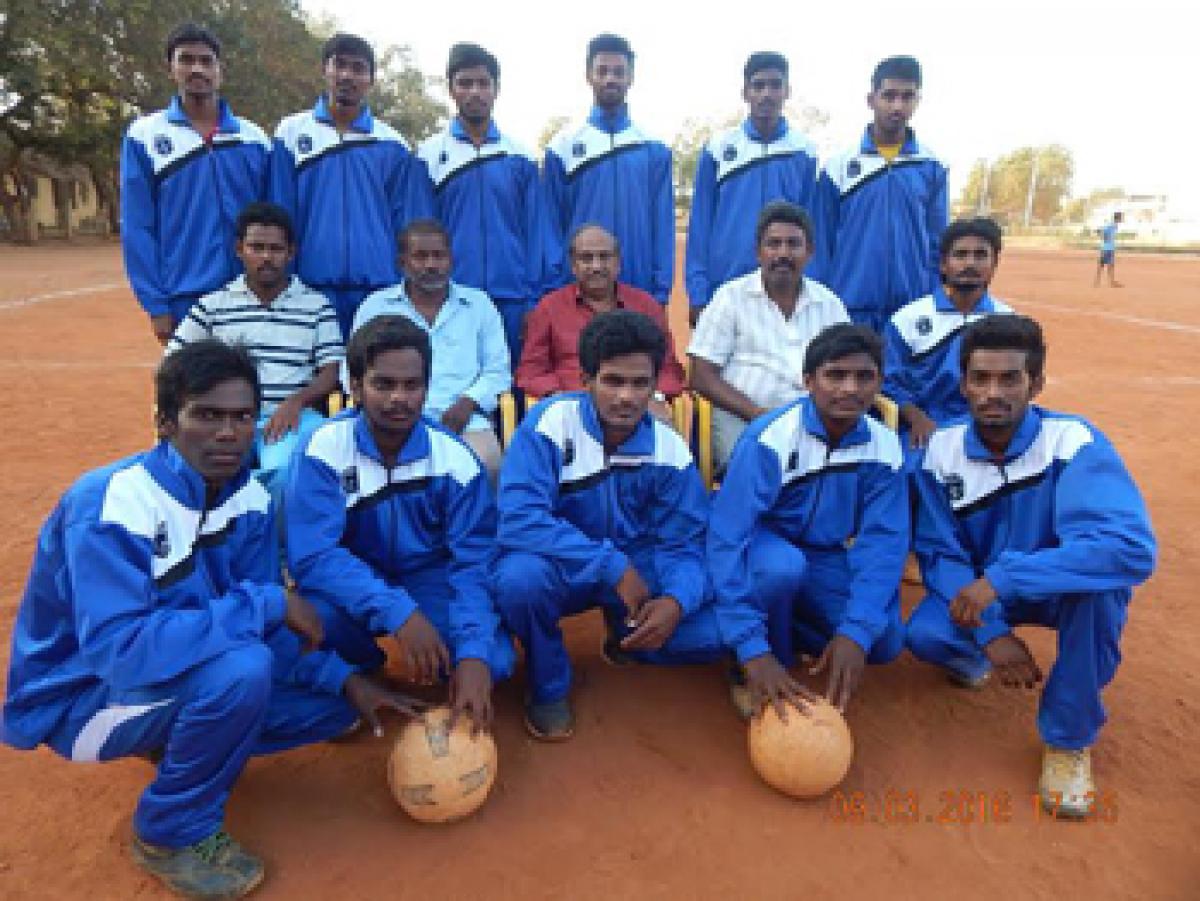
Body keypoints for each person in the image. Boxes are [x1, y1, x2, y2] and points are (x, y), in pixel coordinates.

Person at [1, 340, 426, 899]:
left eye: (242, 417)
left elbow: (267, 623)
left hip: (170, 670)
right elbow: (120, 652)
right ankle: (169, 832)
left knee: (332, 711)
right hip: (83, 698)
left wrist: (345, 680)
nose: (228, 432)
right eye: (207, 415)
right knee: (241, 670)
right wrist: (268, 603)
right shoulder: (112, 504)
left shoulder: (248, 499)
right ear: (164, 422)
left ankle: (178, 738)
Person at [905, 315, 1155, 817]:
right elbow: (940, 552)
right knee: (925, 635)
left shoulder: (1073, 443)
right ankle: (973, 658)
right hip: (981, 593)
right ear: (963, 384)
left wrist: (1004, 579)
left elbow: (1129, 548)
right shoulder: (940, 451)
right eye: (981, 379)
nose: (992, 393)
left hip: (1053, 585)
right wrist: (990, 632)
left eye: (1009, 379)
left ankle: (1068, 739)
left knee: (1101, 596)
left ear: (1035, 385)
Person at [495, 311, 725, 741]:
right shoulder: (549, 424)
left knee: (715, 631)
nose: (627, 397)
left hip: (639, 567)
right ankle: (548, 684)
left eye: (640, 384)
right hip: (565, 564)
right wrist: (609, 564)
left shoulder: (668, 450)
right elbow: (518, 519)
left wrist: (676, 600)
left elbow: (686, 545)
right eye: (613, 381)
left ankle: (627, 634)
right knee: (518, 582)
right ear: (586, 379)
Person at [285, 316, 515, 736]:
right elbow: (313, 557)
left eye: (412, 386)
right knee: (309, 622)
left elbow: (473, 563)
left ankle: (449, 659)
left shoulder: (456, 460)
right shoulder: (322, 450)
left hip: (429, 577)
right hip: (351, 580)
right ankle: (365, 668)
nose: (399, 399)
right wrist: (399, 613)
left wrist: (474, 654)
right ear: (355, 387)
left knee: (495, 661)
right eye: (383, 384)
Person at [708, 324, 908, 719]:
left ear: (880, 383)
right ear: (808, 381)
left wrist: (855, 631)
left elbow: (884, 544)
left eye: (864, 377)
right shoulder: (770, 437)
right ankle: (754, 657)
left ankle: (792, 623)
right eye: (835, 375)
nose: (850, 389)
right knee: (783, 569)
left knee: (883, 641)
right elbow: (727, 536)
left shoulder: (884, 447)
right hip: (762, 547)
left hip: (824, 554)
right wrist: (753, 648)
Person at [166, 202, 342, 506]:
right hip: (225, 416)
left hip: (291, 416)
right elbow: (173, 362)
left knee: (288, 472)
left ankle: (277, 549)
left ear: (291, 253)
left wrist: (296, 402)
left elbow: (331, 371)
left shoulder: (316, 306)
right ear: (239, 250)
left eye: (275, 249)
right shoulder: (214, 305)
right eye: (256, 247)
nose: (266, 257)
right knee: (186, 470)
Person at [270, 33, 433, 339]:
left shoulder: (392, 143)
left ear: (370, 79)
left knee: (374, 377)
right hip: (309, 286)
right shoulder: (291, 133)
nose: (347, 75)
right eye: (339, 65)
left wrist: (404, 281)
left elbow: (408, 224)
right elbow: (280, 213)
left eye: (358, 68)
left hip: (377, 288)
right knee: (315, 378)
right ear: (324, 70)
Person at [121, 23, 270, 345]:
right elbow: (138, 227)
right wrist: (156, 304)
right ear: (170, 69)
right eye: (186, 60)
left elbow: (273, 220)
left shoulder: (254, 139)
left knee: (255, 386)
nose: (197, 69)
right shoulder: (145, 136)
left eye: (206, 61)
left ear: (220, 70)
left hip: (251, 292)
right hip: (184, 295)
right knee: (193, 391)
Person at [688, 201, 849, 469]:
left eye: (793, 244)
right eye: (773, 244)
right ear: (758, 252)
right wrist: (758, 414)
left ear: (809, 252)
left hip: (815, 421)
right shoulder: (730, 298)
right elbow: (701, 375)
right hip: (743, 418)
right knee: (763, 466)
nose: (782, 253)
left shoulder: (830, 304)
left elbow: (846, 369)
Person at [349, 220, 510, 481]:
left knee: (485, 466)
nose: (431, 265)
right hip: (389, 421)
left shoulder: (479, 305)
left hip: (464, 422)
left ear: (451, 260)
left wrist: (468, 403)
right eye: (421, 256)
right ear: (402, 262)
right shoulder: (376, 306)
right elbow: (352, 371)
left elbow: (497, 371)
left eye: (439, 256)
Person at [418, 43, 547, 364]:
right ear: (451, 89)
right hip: (451, 298)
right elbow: (417, 234)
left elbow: (538, 233)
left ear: (496, 89)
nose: (474, 92)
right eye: (465, 83)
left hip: (513, 298)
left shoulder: (520, 156)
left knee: (512, 389)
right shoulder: (428, 155)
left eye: (483, 83)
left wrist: (534, 299)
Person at [812, 55, 948, 332]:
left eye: (907, 97)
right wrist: (820, 304)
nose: (897, 106)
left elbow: (937, 243)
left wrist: (934, 300)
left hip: (911, 310)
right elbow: (820, 244)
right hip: (848, 308)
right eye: (889, 96)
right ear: (871, 99)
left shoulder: (931, 166)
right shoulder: (838, 167)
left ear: (917, 101)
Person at [684, 52, 821, 327]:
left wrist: (810, 287)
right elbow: (700, 226)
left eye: (775, 85)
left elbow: (810, 226)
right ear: (745, 92)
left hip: (784, 287)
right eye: (758, 86)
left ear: (787, 91)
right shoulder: (718, 149)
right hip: (725, 287)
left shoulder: (803, 151)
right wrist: (699, 294)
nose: (766, 94)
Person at [543, 34, 674, 304]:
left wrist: (660, 291)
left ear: (631, 77)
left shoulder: (653, 148)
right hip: (579, 290)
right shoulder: (563, 146)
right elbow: (550, 225)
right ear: (588, 76)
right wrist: (555, 287)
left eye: (618, 71)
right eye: (602, 71)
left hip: (639, 288)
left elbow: (662, 226)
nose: (610, 79)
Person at [516, 224, 685, 419]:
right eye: (586, 258)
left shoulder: (646, 306)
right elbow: (530, 371)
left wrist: (654, 396)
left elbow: (669, 369)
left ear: (618, 263)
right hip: (572, 409)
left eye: (604, 257)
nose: (596, 266)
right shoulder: (549, 308)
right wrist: (559, 397)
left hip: (636, 407)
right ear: (573, 265)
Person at [883, 216, 1014, 454]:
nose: (970, 263)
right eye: (961, 255)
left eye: (981, 255)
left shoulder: (1010, 322)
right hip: (923, 427)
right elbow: (887, 380)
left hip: (987, 425)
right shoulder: (908, 319)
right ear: (943, 264)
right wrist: (915, 417)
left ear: (995, 264)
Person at [1094, 211, 1124, 288]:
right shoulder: (1111, 225)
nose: (1122, 219)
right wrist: (1105, 238)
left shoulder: (1114, 225)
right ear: (1118, 218)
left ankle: (1109, 282)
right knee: (1103, 265)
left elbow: (1101, 231)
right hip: (1107, 249)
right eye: (1121, 217)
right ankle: (1099, 282)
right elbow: (1100, 231)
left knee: (1109, 265)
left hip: (1108, 248)